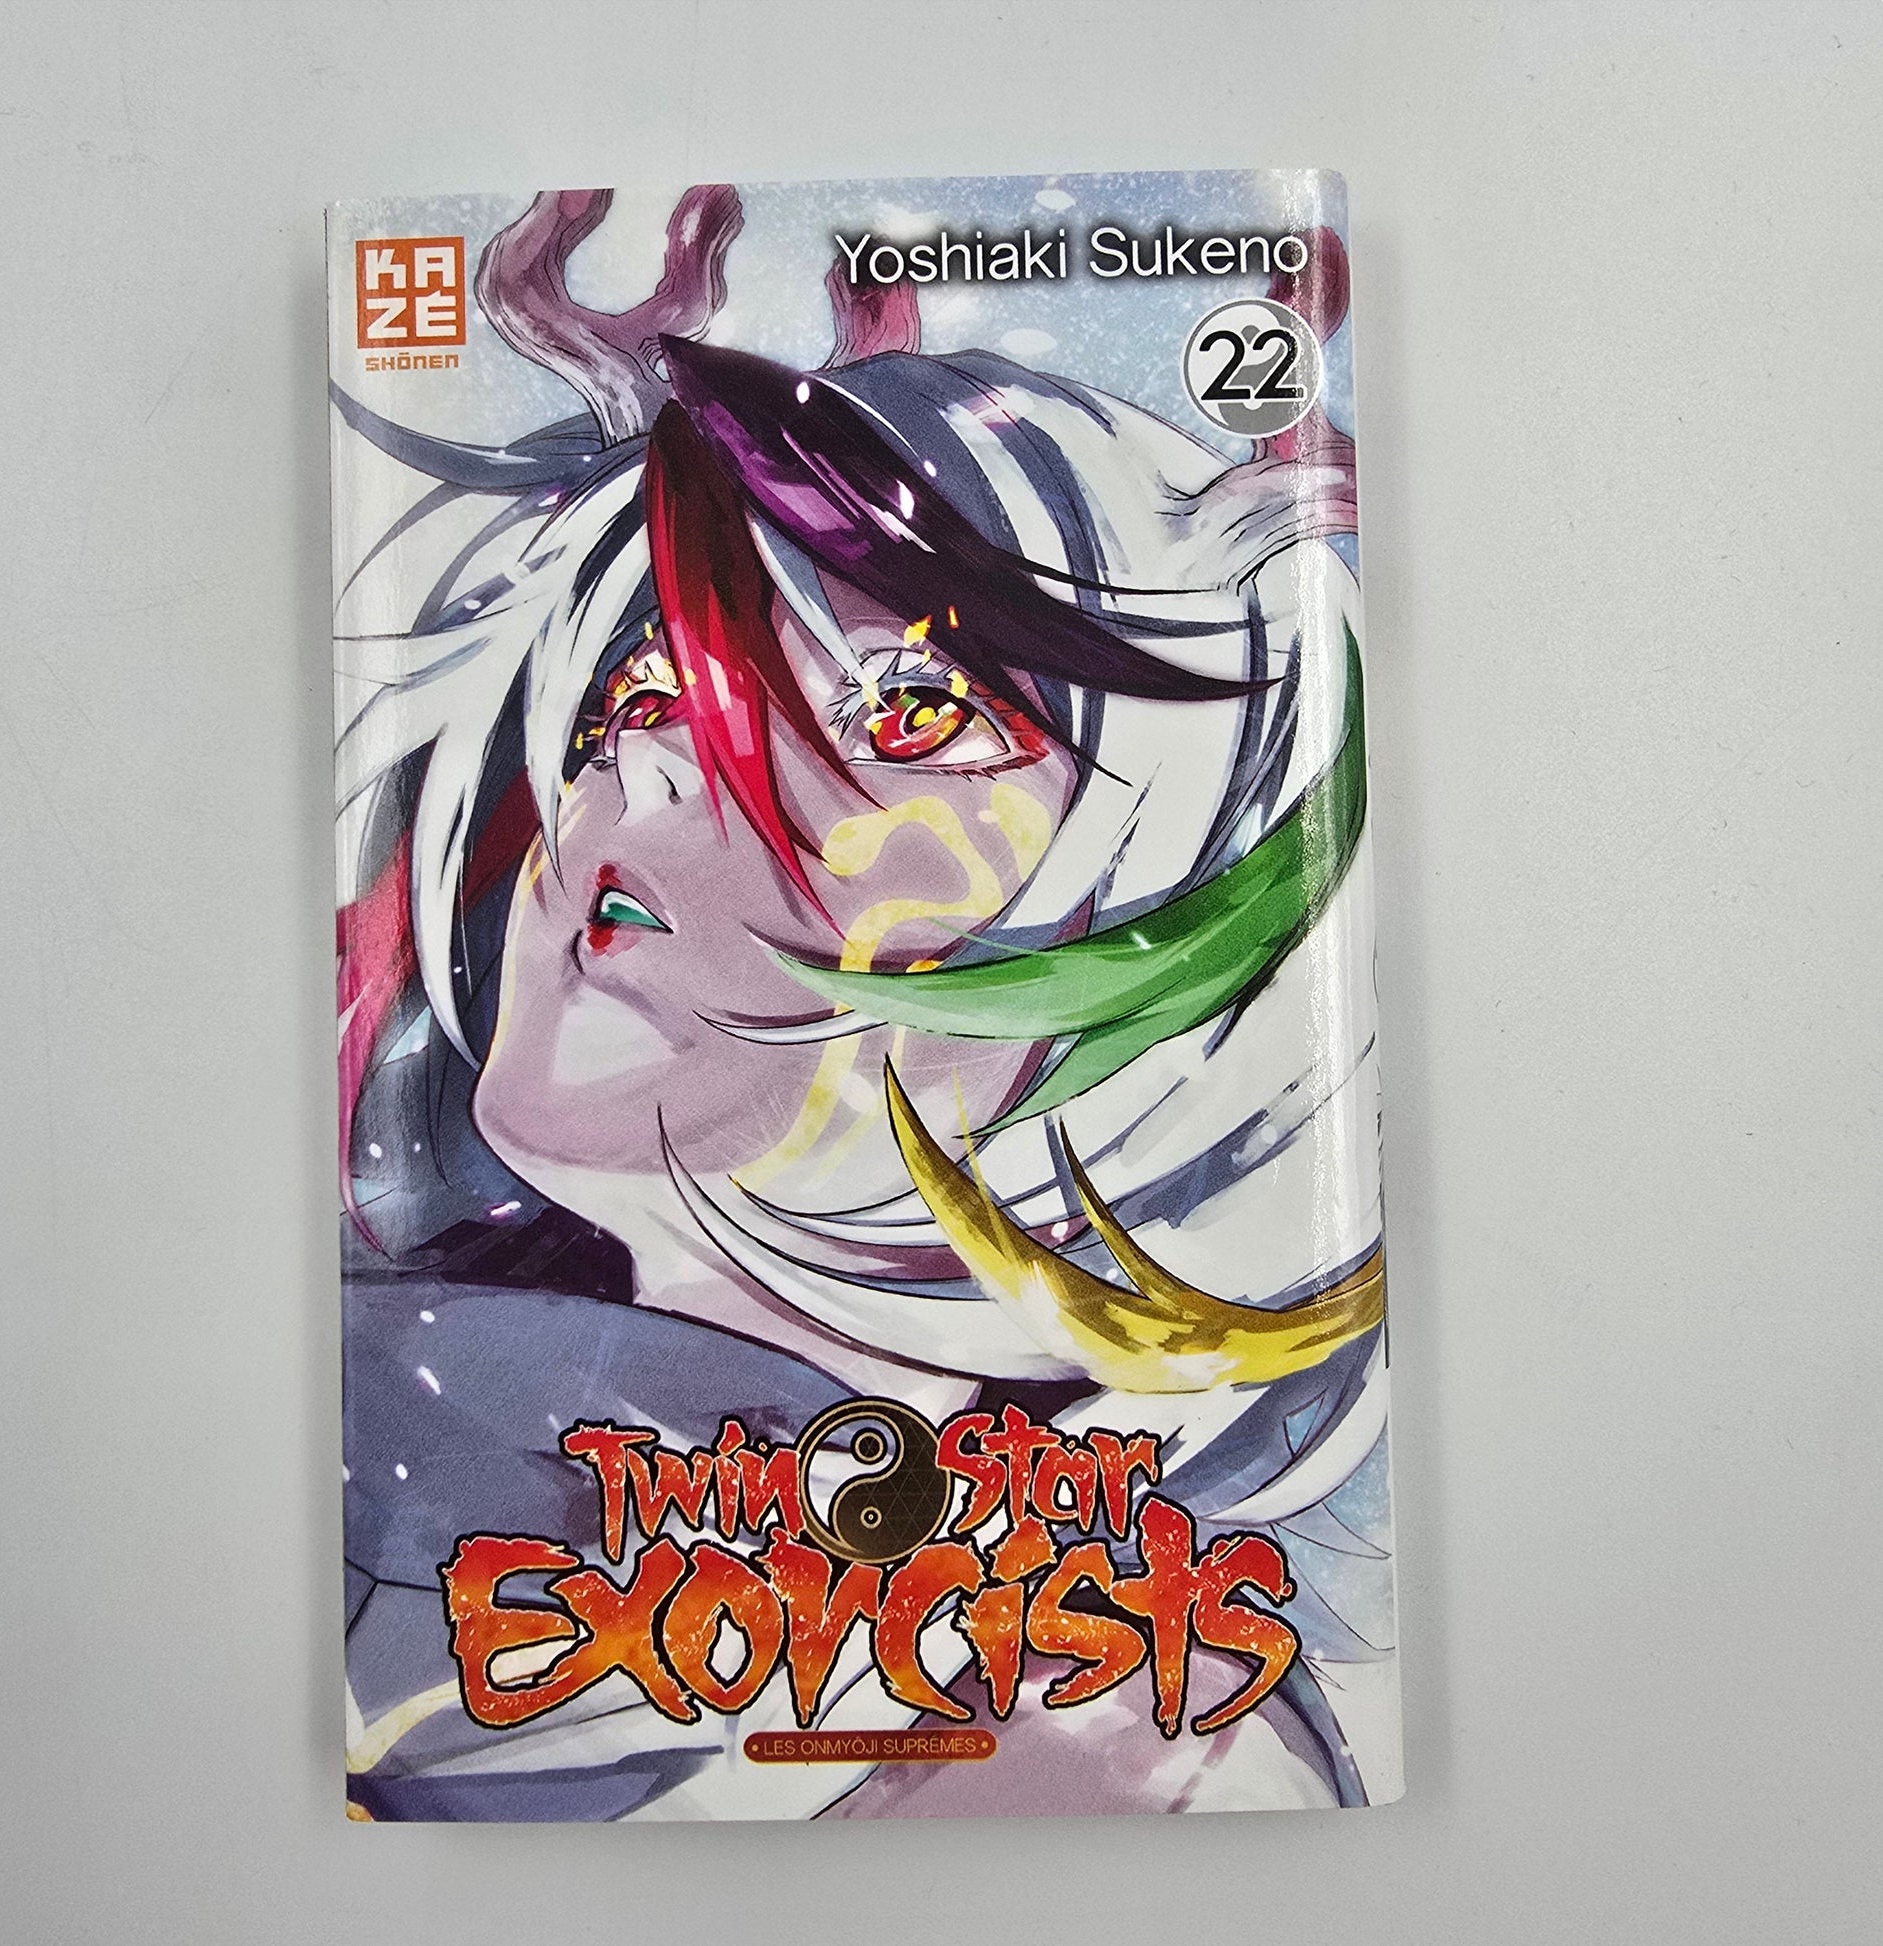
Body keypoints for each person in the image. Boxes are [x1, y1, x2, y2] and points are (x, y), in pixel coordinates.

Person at [336, 187, 1395, 1819]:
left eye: (908, 707)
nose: (652, 752)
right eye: (643, 681)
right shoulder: (383, 1428)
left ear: (1168, 873)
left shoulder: (1175, 1681)